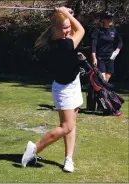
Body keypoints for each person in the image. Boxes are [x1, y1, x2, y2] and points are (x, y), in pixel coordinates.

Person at [21, 7, 85, 172]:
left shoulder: (58, 39)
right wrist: (67, 13)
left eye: (68, 26)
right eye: (64, 27)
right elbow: (81, 30)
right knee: (66, 127)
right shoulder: (64, 44)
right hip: (64, 90)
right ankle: (34, 149)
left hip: (74, 83)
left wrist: (65, 15)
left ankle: (68, 159)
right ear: (55, 29)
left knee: (71, 125)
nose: (68, 29)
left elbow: (72, 29)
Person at [91, 11, 123, 82]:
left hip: (110, 57)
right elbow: (93, 45)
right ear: (103, 20)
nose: (110, 20)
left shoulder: (113, 31)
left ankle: (103, 92)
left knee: (107, 79)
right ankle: (99, 92)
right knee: (102, 79)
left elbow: (120, 42)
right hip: (100, 57)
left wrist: (117, 50)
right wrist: (94, 57)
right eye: (108, 18)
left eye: (111, 18)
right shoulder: (97, 31)